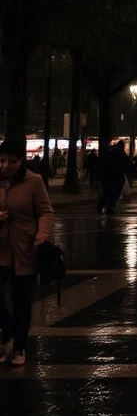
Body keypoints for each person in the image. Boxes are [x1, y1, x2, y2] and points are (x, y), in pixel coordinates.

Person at [0, 140, 55, 367]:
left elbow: (45, 211)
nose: (5, 166)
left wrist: (41, 235)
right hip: (1, 248)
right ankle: (10, 332)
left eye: (11, 161)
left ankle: (19, 346)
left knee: (21, 301)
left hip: (26, 249)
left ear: (21, 161)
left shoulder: (34, 181)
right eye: (1, 161)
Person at [96, 140, 127, 214]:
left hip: (108, 176)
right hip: (117, 176)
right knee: (115, 193)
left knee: (107, 193)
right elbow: (125, 164)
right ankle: (109, 207)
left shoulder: (110, 154)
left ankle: (101, 206)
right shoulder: (122, 154)